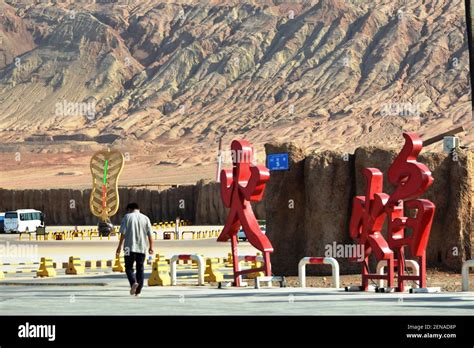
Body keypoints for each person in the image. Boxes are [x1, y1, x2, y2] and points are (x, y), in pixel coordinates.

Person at [116, 202, 154, 296]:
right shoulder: (145, 218)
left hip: (129, 247)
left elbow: (123, 233)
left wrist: (119, 246)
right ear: (138, 209)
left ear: (129, 209)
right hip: (142, 247)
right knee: (140, 268)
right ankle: (138, 291)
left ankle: (133, 283)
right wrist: (151, 247)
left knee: (128, 268)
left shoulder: (127, 217)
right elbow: (150, 234)